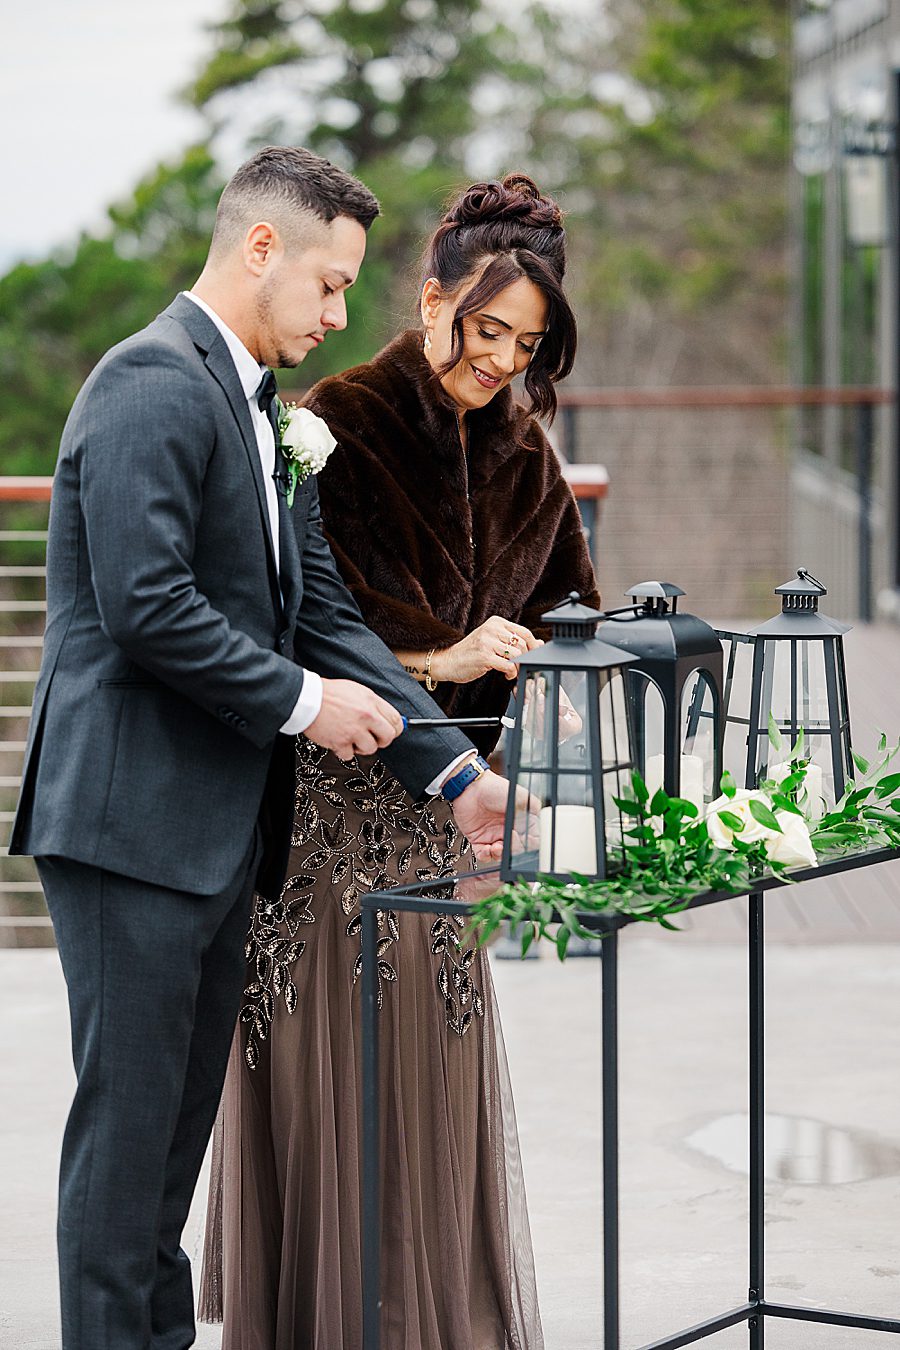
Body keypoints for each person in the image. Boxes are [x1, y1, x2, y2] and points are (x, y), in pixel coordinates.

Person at [9, 145, 514, 1350]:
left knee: (175, 1139)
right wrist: (303, 705)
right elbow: (147, 604)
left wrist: (455, 775)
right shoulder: (148, 383)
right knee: (129, 1145)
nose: (341, 316)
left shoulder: (259, 413)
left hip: (210, 835)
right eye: (332, 286)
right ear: (262, 248)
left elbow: (326, 612)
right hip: (130, 827)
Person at [201, 173, 600, 1349]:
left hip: (444, 810)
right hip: (329, 814)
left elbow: (573, 603)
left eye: (524, 345)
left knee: (432, 1077)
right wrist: (442, 654)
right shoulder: (336, 420)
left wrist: (564, 689)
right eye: (487, 332)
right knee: (337, 1071)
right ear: (432, 301)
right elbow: (312, 629)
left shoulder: (526, 446)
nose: (501, 363)